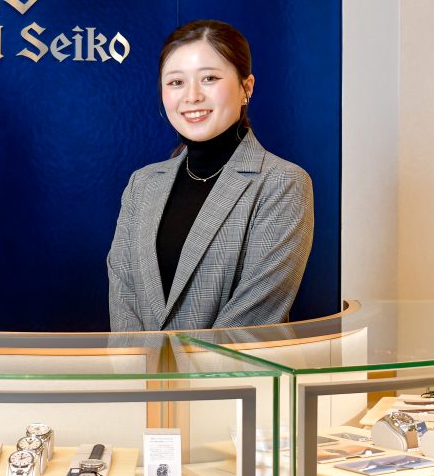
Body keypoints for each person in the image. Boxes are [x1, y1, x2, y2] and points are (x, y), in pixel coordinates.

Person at [108, 20, 313, 331]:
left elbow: (253, 318)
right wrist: (140, 361)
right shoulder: (142, 184)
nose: (191, 96)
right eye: (176, 82)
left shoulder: (282, 183)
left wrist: (181, 365)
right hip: (140, 364)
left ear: (247, 88)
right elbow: (123, 299)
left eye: (209, 78)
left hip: (233, 365)